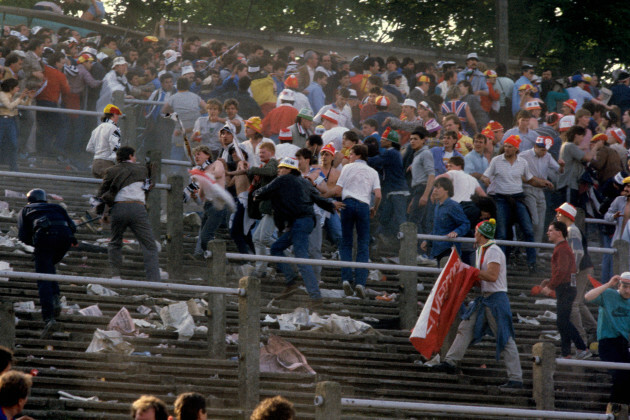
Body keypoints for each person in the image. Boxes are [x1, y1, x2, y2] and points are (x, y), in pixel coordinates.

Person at [433, 218, 524, 392]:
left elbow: (491, 276)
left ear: (481, 234)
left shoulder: (493, 251)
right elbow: (481, 279)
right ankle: (450, 361)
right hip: (484, 299)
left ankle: (516, 378)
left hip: (496, 300)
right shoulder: (482, 250)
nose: (474, 234)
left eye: (475, 232)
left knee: (504, 339)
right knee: (465, 327)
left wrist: (469, 272)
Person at [254, 157, 341, 308]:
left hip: (299, 223)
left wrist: (256, 194)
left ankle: (315, 296)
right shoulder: (304, 182)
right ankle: (291, 281)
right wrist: (331, 205)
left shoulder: (281, 180)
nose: (278, 171)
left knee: (301, 258)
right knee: (276, 248)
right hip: (305, 222)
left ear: (289, 170)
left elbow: (262, 191)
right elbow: (317, 198)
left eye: (281, 168)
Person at [481, 135, 553, 273]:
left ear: (516, 149)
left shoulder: (522, 162)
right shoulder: (497, 160)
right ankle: (500, 264)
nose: (506, 149)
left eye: (509, 147)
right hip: (501, 198)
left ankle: (532, 263)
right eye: (505, 146)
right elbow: (486, 175)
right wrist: (485, 179)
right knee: (501, 233)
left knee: (528, 230)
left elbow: (530, 180)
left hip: (518, 197)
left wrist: (542, 183)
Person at [18, 188, 77, 338]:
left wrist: (35, 242)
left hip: (45, 236)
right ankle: (56, 297)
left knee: (43, 276)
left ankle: (49, 317)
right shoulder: (57, 207)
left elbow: (23, 236)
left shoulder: (25, 210)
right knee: (49, 266)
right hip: (65, 239)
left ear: (29, 199)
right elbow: (73, 227)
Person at [98, 147, 160, 282]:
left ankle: (116, 275)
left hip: (118, 208)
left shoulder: (111, 171)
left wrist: (103, 213)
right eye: (135, 156)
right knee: (149, 245)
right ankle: (154, 280)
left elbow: (102, 193)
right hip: (137, 208)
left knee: (115, 242)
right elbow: (148, 187)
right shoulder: (143, 170)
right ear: (131, 156)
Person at [537, 221, 592, 359]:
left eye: (550, 230)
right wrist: (549, 282)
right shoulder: (562, 247)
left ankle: (582, 347)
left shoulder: (562, 248)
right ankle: (566, 353)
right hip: (566, 287)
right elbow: (562, 271)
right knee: (562, 321)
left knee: (563, 321)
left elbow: (562, 271)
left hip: (566, 288)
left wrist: (550, 286)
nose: (548, 233)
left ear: (559, 232)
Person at [334, 144, 381, 299]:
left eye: (351, 154)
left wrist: (331, 201)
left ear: (358, 155)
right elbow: (378, 195)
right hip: (364, 206)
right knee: (363, 244)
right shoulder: (373, 171)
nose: (350, 157)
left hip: (347, 204)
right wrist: (374, 208)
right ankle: (360, 282)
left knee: (346, 243)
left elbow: (338, 190)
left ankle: (346, 279)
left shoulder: (347, 168)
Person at [585, 273, 630, 412]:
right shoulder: (609, 294)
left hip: (623, 343)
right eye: (625, 287)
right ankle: (614, 407)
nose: (627, 291)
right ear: (619, 285)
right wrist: (608, 284)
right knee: (620, 374)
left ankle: (623, 408)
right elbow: (588, 297)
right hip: (607, 341)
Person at [554, 203, 597, 346]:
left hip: (580, 269)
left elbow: (577, 252)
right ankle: (594, 329)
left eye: (559, 214)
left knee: (573, 304)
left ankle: (581, 338)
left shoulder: (571, 230)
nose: (557, 216)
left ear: (566, 215)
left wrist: (572, 271)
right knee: (579, 303)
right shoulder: (569, 230)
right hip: (583, 268)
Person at [419, 177, 470, 267]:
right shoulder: (437, 205)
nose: (434, 190)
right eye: (434, 187)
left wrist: (456, 232)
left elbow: (465, 224)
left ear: (446, 190)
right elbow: (438, 228)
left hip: (449, 251)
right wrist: (428, 240)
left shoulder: (453, 206)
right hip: (437, 250)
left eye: (438, 188)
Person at [86, 104, 122, 179]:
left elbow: (89, 148)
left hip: (95, 164)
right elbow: (115, 148)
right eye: (117, 115)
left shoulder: (96, 129)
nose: (118, 117)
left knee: (100, 189)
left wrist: (100, 152)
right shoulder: (114, 128)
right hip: (107, 164)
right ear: (113, 115)